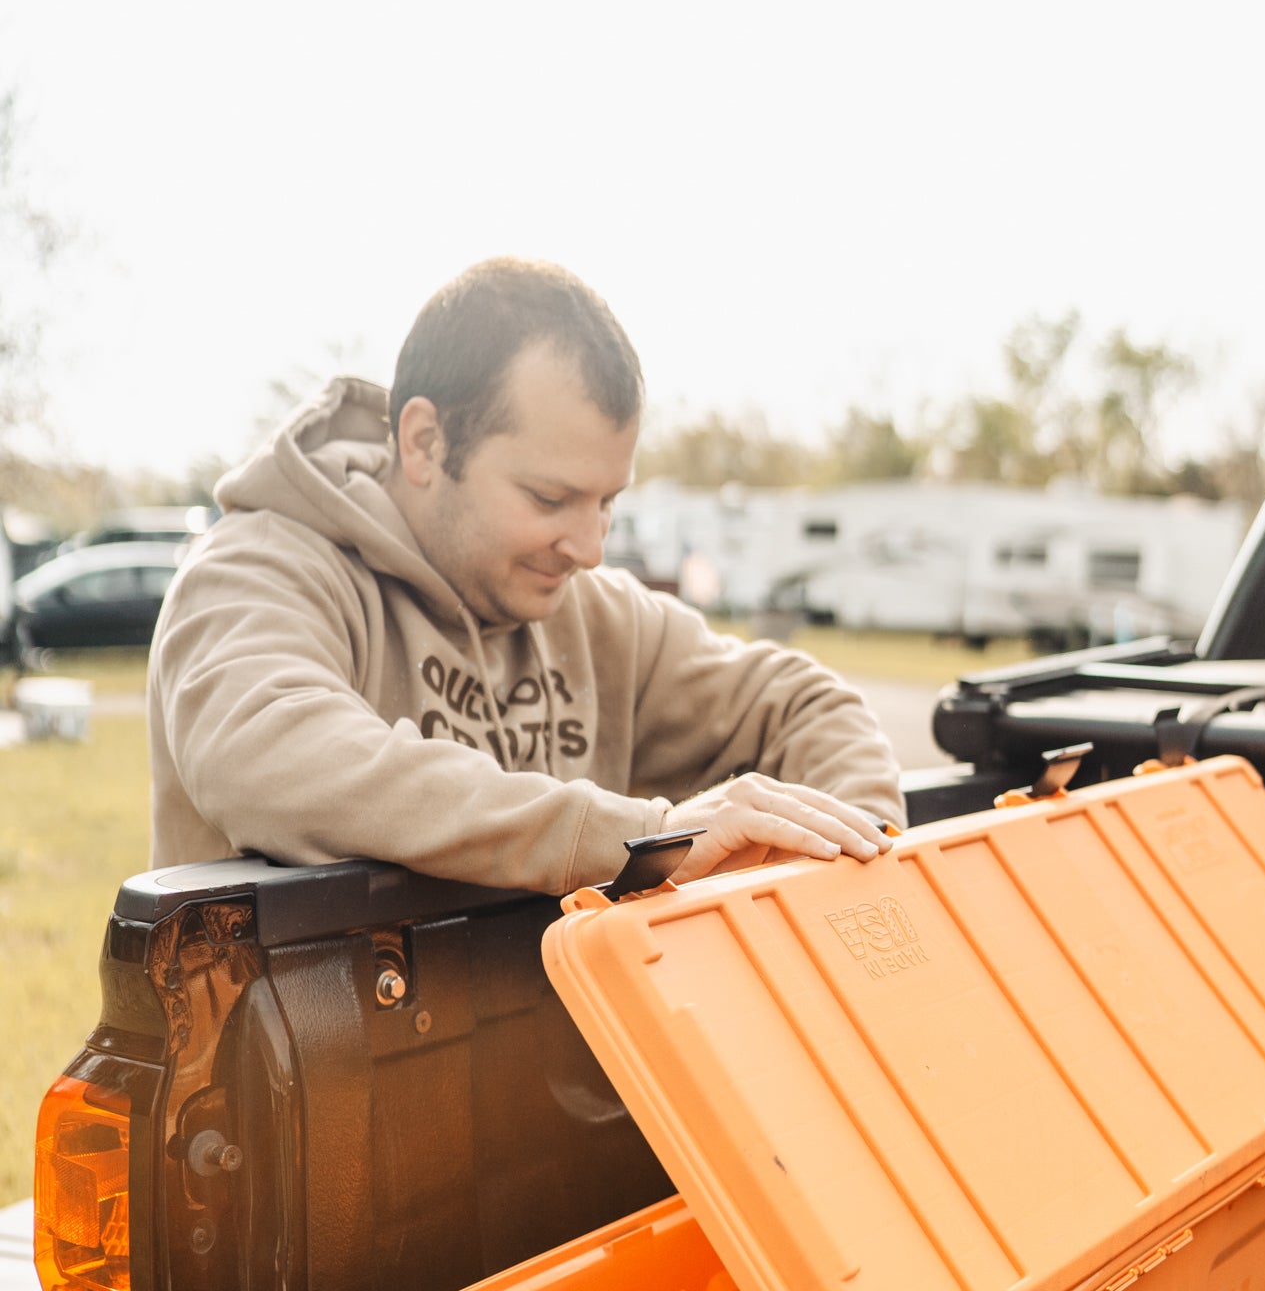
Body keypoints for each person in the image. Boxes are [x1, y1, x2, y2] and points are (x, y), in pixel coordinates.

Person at [148, 259, 903, 893]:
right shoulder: (255, 573)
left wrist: (859, 861)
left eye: (606, 502)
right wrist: (643, 840)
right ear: (424, 442)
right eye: (550, 498)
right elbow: (275, 758)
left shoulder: (599, 618)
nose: (589, 547)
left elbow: (804, 704)